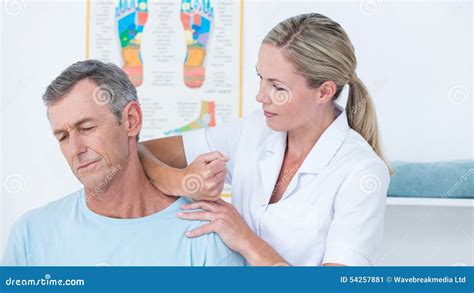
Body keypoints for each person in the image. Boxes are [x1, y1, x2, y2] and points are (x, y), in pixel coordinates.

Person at [138, 13, 392, 266]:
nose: (260, 96)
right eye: (260, 78)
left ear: (324, 91)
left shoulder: (361, 172)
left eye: (278, 88)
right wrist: (179, 181)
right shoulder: (254, 129)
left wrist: (245, 239)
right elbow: (140, 152)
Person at [2, 60, 244, 266]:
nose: (75, 150)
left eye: (87, 128)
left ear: (131, 120)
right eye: (63, 137)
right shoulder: (30, 236)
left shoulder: (207, 235)